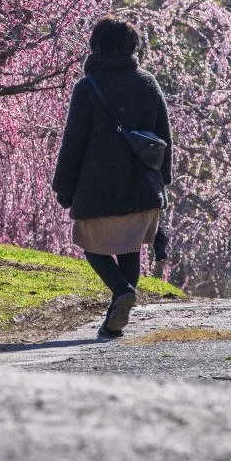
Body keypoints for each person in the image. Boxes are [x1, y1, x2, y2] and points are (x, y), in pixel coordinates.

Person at [52, 17, 172, 338]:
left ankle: (121, 291)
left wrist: (63, 187)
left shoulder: (88, 87)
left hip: (97, 191)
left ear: (96, 46)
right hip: (144, 188)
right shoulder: (148, 82)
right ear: (132, 47)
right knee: (130, 248)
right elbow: (164, 136)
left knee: (92, 245)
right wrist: (165, 180)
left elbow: (73, 141)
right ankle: (119, 309)